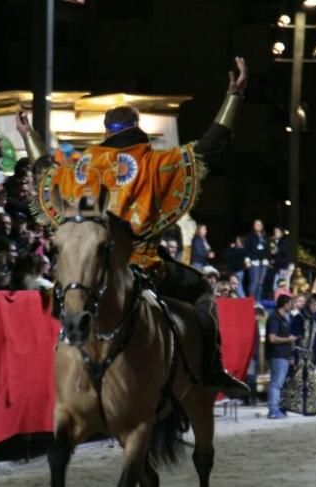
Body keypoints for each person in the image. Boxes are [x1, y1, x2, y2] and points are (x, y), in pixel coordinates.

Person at [17, 56, 251, 398]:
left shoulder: (81, 166)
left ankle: (64, 369)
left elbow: (43, 169)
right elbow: (208, 149)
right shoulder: (155, 162)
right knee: (200, 289)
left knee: (70, 299)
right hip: (141, 266)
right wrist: (235, 96)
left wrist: (28, 134)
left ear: (106, 130)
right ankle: (212, 369)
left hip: (94, 269)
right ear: (136, 125)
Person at [282, 294, 316, 416]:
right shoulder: (299, 318)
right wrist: (292, 355)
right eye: (313, 304)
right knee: (296, 380)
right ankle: (288, 405)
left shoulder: (315, 319)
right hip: (299, 352)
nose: (315, 307)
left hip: (309, 354)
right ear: (308, 305)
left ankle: (309, 407)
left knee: (310, 382)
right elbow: (292, 337)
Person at [265, 294, 296, 419]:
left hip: (283, 354)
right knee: (276, 383)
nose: (291, 306)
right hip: (277, 354)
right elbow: (272, 338)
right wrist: (288, 339)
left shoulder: (285, 318)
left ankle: (275, 408)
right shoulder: (274, 318)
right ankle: (273, 410)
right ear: (284, 304)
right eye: (290, 303)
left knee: (277, 383)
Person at [244, 219, 269, 302]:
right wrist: (249, 259)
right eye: (256, 224)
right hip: (254, 261)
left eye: (260, 224)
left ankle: (258, 301)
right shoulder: (250, 236)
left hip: (263, 262)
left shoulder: (265, 236)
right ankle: (251, 301)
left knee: (260, 283)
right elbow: (247, 249)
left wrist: (267, 259)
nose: (258, 226)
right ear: (253, 226)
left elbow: (268, 249)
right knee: (254, 281)